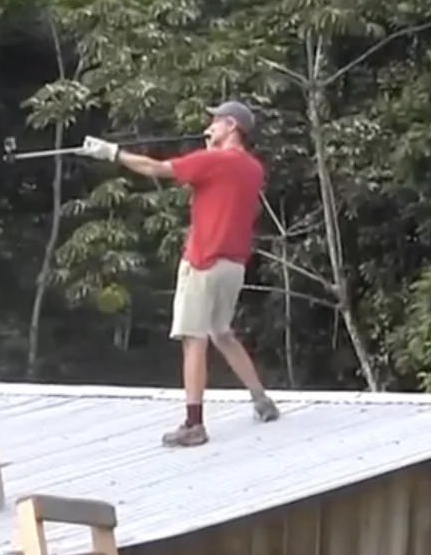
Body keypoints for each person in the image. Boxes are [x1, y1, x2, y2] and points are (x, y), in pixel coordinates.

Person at [81, 100, 281, 447]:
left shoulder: (213, 161)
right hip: (233, 265)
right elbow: (218, 188)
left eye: (215, 121)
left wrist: (113, 154)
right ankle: (262, 400)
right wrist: (210, 149)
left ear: (231, 125)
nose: (210, 126)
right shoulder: (252, 168)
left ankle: (194, 424)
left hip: (203, 261)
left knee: (194, 339)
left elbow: (157, 169)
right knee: (222, 333)